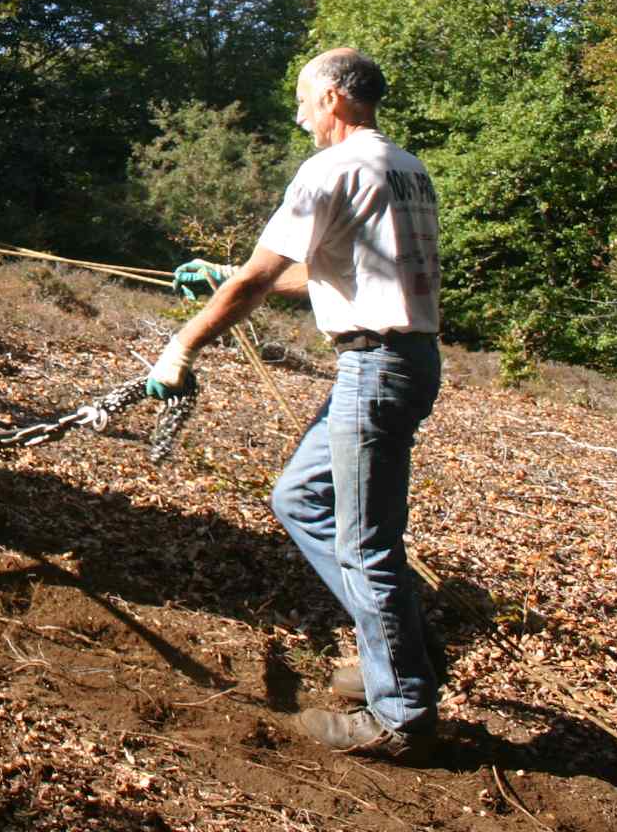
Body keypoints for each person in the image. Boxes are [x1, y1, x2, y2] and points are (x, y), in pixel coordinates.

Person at [144, 47, 443, 760]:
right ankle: (397, 655)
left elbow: (255, 283)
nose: (299, 111)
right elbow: (329, 270)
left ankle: (401, 715)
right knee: (301, 499)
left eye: (306, 97)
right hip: (400, 362)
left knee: (364, 542)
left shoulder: (330, 168)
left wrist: (181, 348)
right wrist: (225, 271)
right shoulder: (401, 165)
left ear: (336, 97)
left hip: (375, 367)